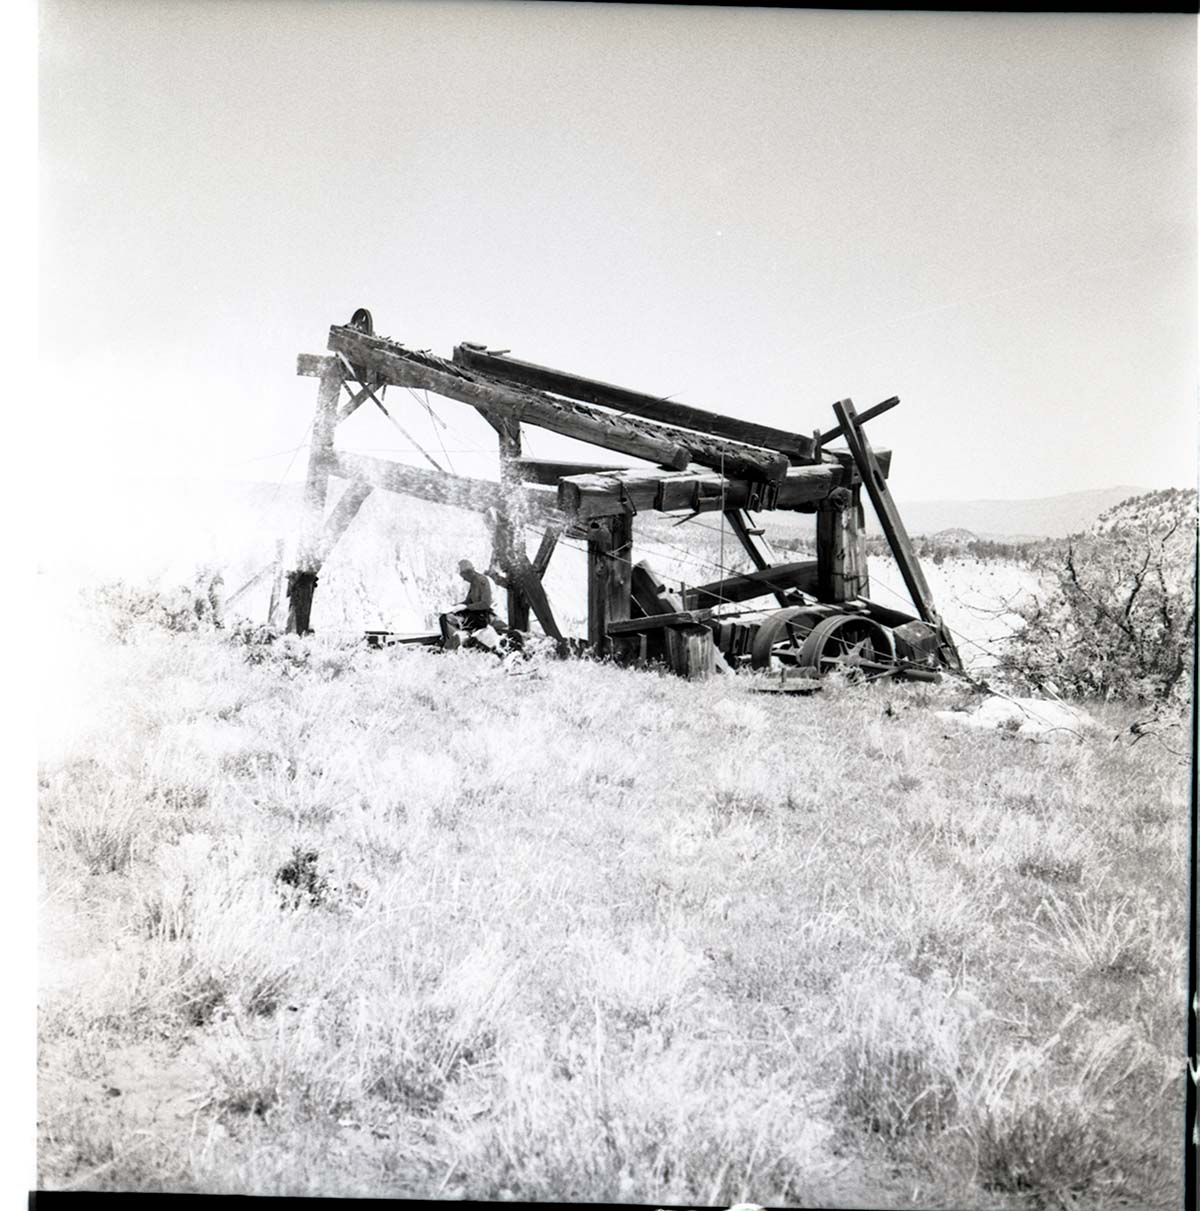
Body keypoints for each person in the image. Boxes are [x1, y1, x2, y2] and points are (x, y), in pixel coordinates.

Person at [439, 559, 504, 650]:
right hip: (476, 613)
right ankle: (451, 641)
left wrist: (466, 607)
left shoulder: (482, 580)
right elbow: (468, 601)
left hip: (484, 616)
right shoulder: (474, 582)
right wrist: (453, 606)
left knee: (446, 618)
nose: (463, 579)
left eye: (463, 576)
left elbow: (485, 604)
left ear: (469, 573)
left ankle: (451, 645)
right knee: (445, 616)